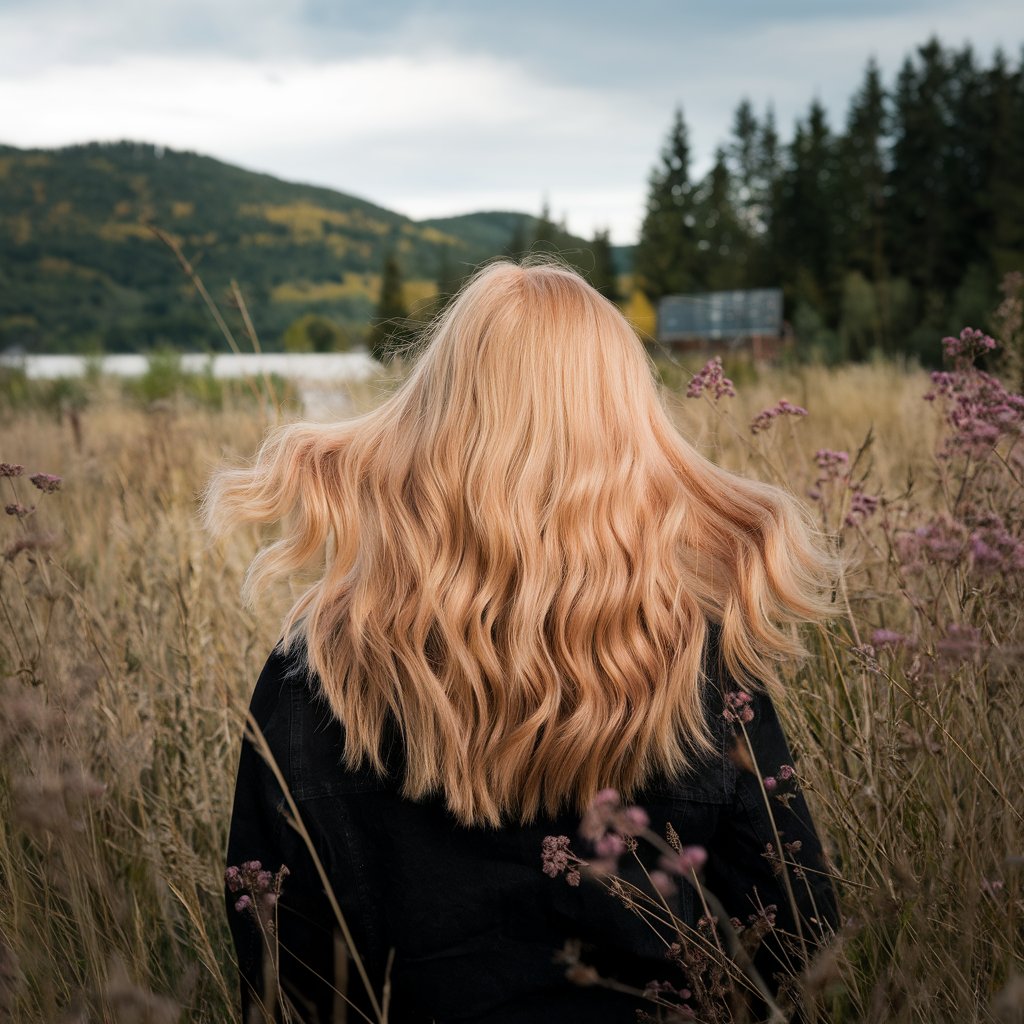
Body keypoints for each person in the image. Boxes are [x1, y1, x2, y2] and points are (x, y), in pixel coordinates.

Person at [205, 259, 842, 1024]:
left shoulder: (320, 665)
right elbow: (796, 936)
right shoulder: (702, 662)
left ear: (429, 420)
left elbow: (277, 955)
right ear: (627, 433)